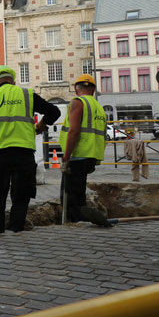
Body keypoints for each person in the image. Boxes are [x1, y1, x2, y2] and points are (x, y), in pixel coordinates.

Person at [0, 65, 61, 235]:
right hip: (24, 153)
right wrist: (42, 124)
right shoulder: (26, 95)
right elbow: (54, 112)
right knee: (21, 195)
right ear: (13, 80)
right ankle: (16, 229)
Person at [58, 74, 107, 222]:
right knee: (78, 193)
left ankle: (75, 224)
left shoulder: (78, 102)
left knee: (69, 197)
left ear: (75, 88)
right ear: (93, 89)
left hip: (77, 155)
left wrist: (66, 157)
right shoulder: (99, 107)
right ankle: (81, 220)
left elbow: (74, 132)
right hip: (90, 155)